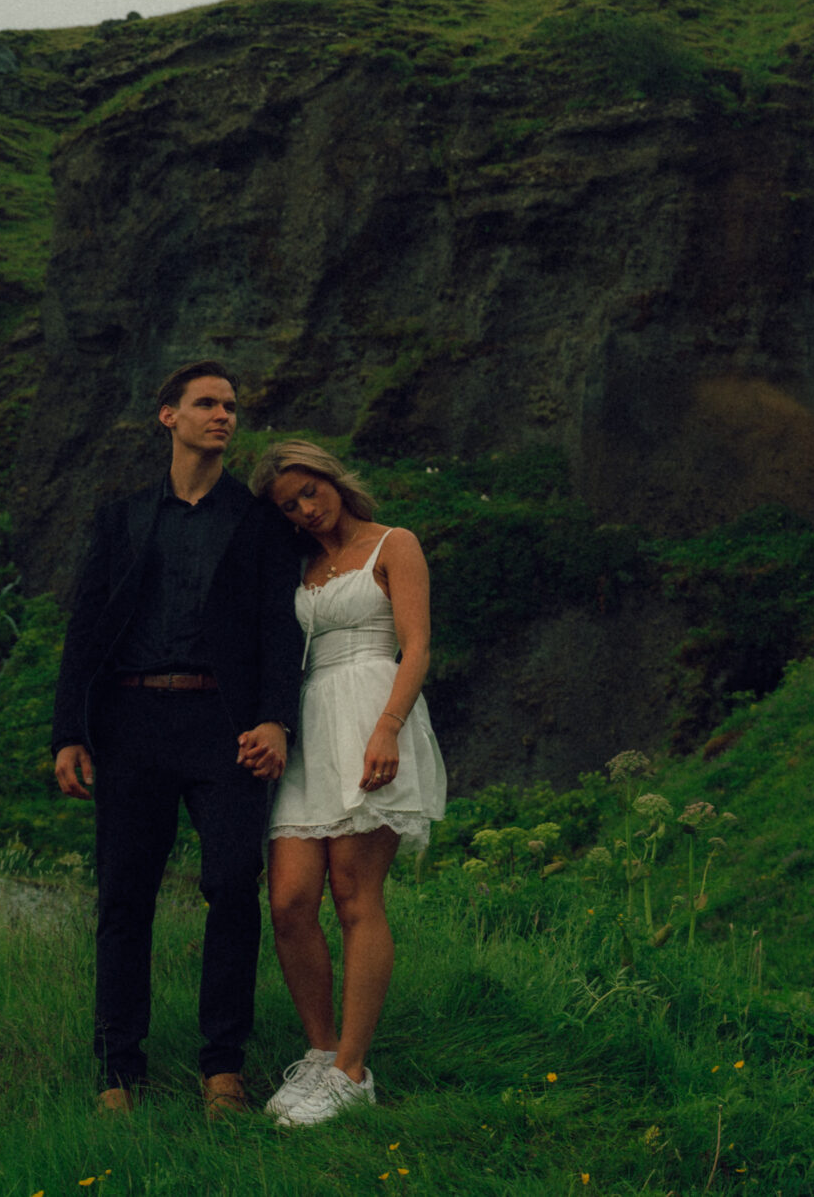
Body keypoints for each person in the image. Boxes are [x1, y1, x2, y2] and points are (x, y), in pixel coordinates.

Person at [50, 360, 305, 1118]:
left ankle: (222, 1067)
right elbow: (86, 625)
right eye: (207, 403)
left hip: (222, 726)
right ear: (169, 416)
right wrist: (71, 730)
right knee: (123, 898)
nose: (224, 415)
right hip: (130, 724)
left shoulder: (257, 520)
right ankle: (115, 1071)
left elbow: (277, 625)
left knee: (232, 884)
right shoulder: (124, 515)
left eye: (231, 404)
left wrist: (275, 718)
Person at [247, 438, 447, 1127]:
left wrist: (389, 724)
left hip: (371, 708)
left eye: (311, 490)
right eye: (289, 503)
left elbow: (416, 644)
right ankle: (320, 1051)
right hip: (309, 721)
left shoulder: (395, 542)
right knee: (290, 900)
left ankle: (352, 1071)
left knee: (355, 892)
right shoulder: (299, 564)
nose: (306, 507)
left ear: (333, 479)